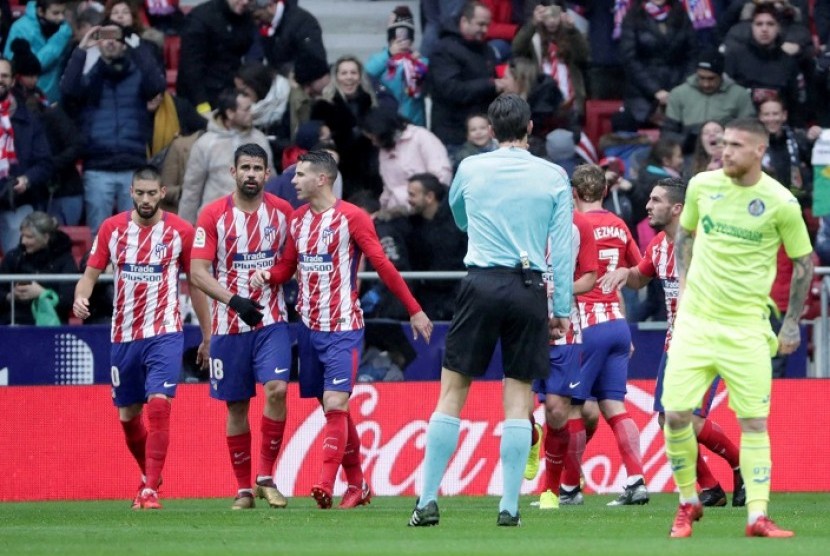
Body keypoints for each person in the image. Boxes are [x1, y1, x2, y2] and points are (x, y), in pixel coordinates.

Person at [408, 94, 573, 527]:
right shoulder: (554, 175)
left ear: (492, 130)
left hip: (480, 281)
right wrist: (561, 307)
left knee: (452, 392)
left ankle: (426, 502)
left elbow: (460, 217)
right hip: (529, 286)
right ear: (531, 128)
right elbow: (565, 246)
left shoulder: (470, 167)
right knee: (518, 398)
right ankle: (510, 507)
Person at [251, 150, 432, 510]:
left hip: (344, 327)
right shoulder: (298, 220)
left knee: (336, 403)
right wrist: (267, 275)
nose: (293, 181)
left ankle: (324, 483)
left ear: (321, 179)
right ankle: (359, 485)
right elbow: (287, 267)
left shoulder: (353, 217)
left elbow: (381, 264)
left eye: (300, 175)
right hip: (308, 327)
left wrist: (415, 310)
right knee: (334, 410)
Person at [662, 117, 812, 538]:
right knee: (674, 416)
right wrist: (687, 284)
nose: (725, 151)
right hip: (696, 323)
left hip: (747, 327)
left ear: (759, 151)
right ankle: (688, 500)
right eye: (723, 143)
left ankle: (757, 516)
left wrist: (792, 325)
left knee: (753, 423)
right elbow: (685, 236)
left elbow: (804, 264)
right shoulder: (701, 186)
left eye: (735, 146)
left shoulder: (780, 202)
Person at [72, 165, 211, 510]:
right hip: (123, 335)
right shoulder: (112, 229)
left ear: (163, 192)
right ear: (131, 193)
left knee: (160, 405)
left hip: (164, 331)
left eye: (152, 193)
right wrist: (80, 297)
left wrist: (208, 335)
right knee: (128, 418)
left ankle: (149, 488)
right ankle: (150, 473)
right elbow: (90, 275)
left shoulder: (180, 231)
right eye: (140, 193)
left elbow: (195, 283)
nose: (146, 199)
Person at [601, 177, 745, 508]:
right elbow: (640, 278)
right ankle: (710, 487)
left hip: (707, 342)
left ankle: (741, 468)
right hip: (675, 343)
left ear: (677, 208)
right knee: (669, 421)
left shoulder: (702, 244)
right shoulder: (659, 245)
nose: (647, 205)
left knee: (688, 421)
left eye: (655, 200)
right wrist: (625, 274)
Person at [189, 143, 294, 510]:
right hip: (228, 326)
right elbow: (198, 272)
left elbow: (293, 261)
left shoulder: (283, 213)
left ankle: (265, 476)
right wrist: (234, 301)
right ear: (232, 173)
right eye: (244, 167)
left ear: (268, 174)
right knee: (236, 407)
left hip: (272, 321)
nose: (251, 174)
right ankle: (243, 490)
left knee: (278, 389)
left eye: (257, 168)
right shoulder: (213, 214)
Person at [571, 163, 648, 507]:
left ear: (573, 193)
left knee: (571, 408)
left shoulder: (572, 224)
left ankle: (568, 488)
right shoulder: (618, 224)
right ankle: (636, 479)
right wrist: (621, 273)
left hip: (585, 325)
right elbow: (640, 274)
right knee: (614, 405)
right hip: (618, 324)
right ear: (604, 192)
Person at [60, 20, 166, 235]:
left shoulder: (138, 72)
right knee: (100, 237)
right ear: (98, 43)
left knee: (137, 234)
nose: (110, 43)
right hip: (98, 166)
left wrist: (136, 45)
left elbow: (157, 85)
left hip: (132, 165)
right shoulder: (90, 76)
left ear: (124, 42)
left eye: (116, 38)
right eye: (105, 38)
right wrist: (82, 48)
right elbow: (68, 90)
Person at [526, 209, 598, 510]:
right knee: (518, 413)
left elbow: (591, 278)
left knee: (556, 410)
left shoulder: (578, 224)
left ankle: (551, 490)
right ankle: (531, 439)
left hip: (563, 330)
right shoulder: (520, 219)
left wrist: (559, 290)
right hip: (523, 325)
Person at [178, 89, 273, 224]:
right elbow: (191, 190)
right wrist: (186, 230)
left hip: (253, 223)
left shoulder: (260, 140)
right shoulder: (205, 144)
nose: (251, 113)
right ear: (230, 113)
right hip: (214, 223)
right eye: (246, 110)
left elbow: (271, 183)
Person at [427, 0, 505, 151]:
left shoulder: (486, 49)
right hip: (454, 135)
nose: (484, 30)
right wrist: (491, 84)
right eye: (480, 24)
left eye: (487, 25)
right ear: (464, 21)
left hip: (481, 133)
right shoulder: (444, 50)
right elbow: (451, 89)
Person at [0, 57, 53, 255]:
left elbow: (45, 163)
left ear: (13, 81)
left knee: (18, 263)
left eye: (4, 76)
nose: (0, 80)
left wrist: (26, 179)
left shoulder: (30, 120)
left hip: (17, 202)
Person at [661, 49, 756, 154]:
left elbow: (750, 131)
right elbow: (668, 134)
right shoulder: (678, 94)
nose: (705, 84)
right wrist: (690, 141)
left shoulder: (739, 95)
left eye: (711, 79)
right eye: (701, 78)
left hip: (728, 153)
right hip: (689, 154)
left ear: (721, 75)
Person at [361, 107, 452, 214]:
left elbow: (442, 174)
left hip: (426, 209)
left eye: (374, 138)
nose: (373, 143)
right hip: (397, 213)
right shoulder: (383, 152)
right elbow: (389, 188)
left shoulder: (420, 137)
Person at [176, 0, 257, 115]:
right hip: (201, 94)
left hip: (230, 91)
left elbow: (250, 50)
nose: (245, 2)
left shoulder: (246, 18)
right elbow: (191, 66)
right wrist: (201, 103)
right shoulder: (200, 18)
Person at [406, 172, 468, 321]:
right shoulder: (412, 224)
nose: (408, 200)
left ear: (429, 197)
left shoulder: (457, 225)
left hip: (455, 298)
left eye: (412, 195)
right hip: (427, 299)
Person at [0, 211, 78, 325]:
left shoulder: (65, 260)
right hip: (13, 322)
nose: (23, 241)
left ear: (45, 237)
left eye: (29, 237)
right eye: (23, 236)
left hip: (51, 325)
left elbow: (69, 300)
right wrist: (9, 297)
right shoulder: (14, 257)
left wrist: (42, 293)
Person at [364, 5, 429, 126]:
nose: (402, 43)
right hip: (388, 122)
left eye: (406, 39)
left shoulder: (421, 61)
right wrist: (388, 54)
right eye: (397, 39)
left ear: (411, 40)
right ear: (390, 40)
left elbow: (426, 85)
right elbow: (366, 74)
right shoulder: (380, 59)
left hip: (414, 122)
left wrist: (418, 63)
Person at [3, 0, 73, 103]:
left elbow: (65, 64)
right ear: (40, 11)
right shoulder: (20, 28)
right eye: (55, 13)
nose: (61, 18)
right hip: (27, 99)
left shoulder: (63, 28)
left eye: (63, 13)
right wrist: (59, 40)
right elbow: (30, 67)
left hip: (56, 97)